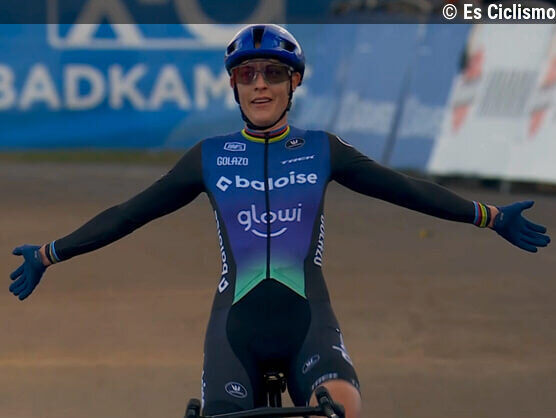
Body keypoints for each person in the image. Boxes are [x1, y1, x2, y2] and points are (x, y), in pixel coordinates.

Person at [9, 24, 550, 418]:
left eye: (273, 73)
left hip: (308, 323)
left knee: (343, 408)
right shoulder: (209, 157)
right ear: (235, 86)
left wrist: (488, 215)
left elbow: (403, 189)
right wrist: (50, 253)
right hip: (235, 330)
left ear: (294, 83)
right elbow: (130, 213)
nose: (260, 85)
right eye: (247, 75)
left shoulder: (322, 149)